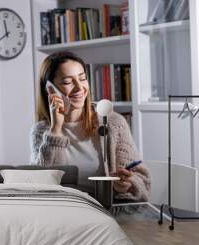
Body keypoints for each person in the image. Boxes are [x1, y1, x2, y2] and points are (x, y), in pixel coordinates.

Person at [30, 51, 150, 202]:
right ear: (50, 89)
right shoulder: (41, 132)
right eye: (68, 82)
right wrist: (55, 129)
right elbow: (40, 186)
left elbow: (142, 181)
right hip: (63, 212)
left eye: (83, 78)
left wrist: (126, 184)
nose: (79, 88)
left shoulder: (113, 123)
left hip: (107, 214)